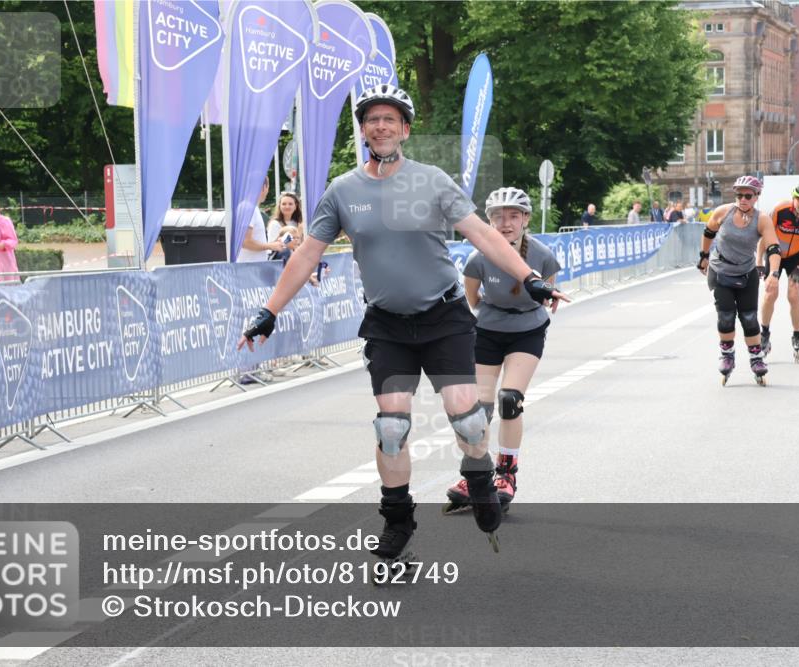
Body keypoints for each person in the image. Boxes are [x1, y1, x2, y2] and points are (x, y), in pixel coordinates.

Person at [235, 84, 567, 558]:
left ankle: (481, 479)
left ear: (405, 130)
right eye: (373, 119)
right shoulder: (343, 191)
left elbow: (482, 236)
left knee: (469, 421)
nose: (382, 126)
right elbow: (308, 253)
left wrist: (529, 277)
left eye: (391, 119)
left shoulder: (431, 180)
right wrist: (269, 311)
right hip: (388, 325)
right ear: (365, 130)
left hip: (445, 318)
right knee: (391, 428)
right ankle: (397, 521)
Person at [443, 187, 560, 514]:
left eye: (513, 216)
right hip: (488, 330)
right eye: (498, 216)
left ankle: (506, 471)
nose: (505, 223)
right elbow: (473, 299)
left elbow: (547, 293)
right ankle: (475, 474)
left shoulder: (542, 255)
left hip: (527, 331)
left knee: (510, 399)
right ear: (488, 220)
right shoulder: (477, 257)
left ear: (525, 219)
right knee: (476, 410)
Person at [697, 175, 781, 386]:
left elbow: (773, 248)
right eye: (739, 195)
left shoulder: (762, 219)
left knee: (749, 317)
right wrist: (704, 257)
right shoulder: (723, 212)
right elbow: (708, 232)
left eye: (747, 196)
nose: (742, 199)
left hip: (746, 272)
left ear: (756, 197)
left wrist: (773, 273)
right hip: (720, 270)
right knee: (726, 316)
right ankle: (727, 355)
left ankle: (756, 359)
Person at [756, 182, 799, 361]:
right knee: (771, 293)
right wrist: (759, 262)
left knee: (794, 295)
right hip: (775, 253)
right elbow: (765, 236)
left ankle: (797, 335)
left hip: (796, 256)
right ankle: (764, 334)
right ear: (793, 198)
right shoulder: (780, 209)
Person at [236, 177, 284, 263]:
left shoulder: (251, 208)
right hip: (249, 268)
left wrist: (272, 244)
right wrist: (270, 246)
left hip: (253, 267)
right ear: (264, 187)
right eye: (268, 188)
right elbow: (245, 242)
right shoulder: (248, 208)